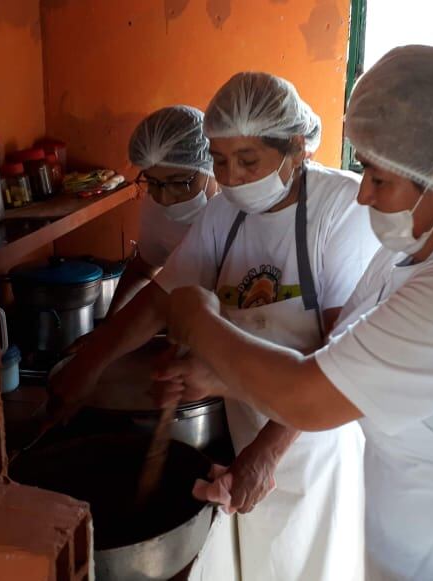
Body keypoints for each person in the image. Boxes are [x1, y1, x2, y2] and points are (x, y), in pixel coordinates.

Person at [154, 45, 433, 581]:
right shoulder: (416, 250)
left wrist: (201, 322)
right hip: (428, 552)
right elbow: (341, 352)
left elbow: (308, 395)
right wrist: (224, 380)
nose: (362, 194)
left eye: (378, 177)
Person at [51, 72, 376, 581]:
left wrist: (268, 452)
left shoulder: (342, 210)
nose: (232, 178)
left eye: (248, 161)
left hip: (312, 450)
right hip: (245, 433)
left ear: (296, 148)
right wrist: (89, 364)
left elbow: (340, 358)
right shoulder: (224, 213)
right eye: (221, 161)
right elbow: (161, 301)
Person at [107, 105, 219, 316]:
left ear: (209, 166)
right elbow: (143, 269)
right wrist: (109, 326)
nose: (165, 199)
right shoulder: (156, 206)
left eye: (178, 182)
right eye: (153, 182)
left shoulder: (239, 212)